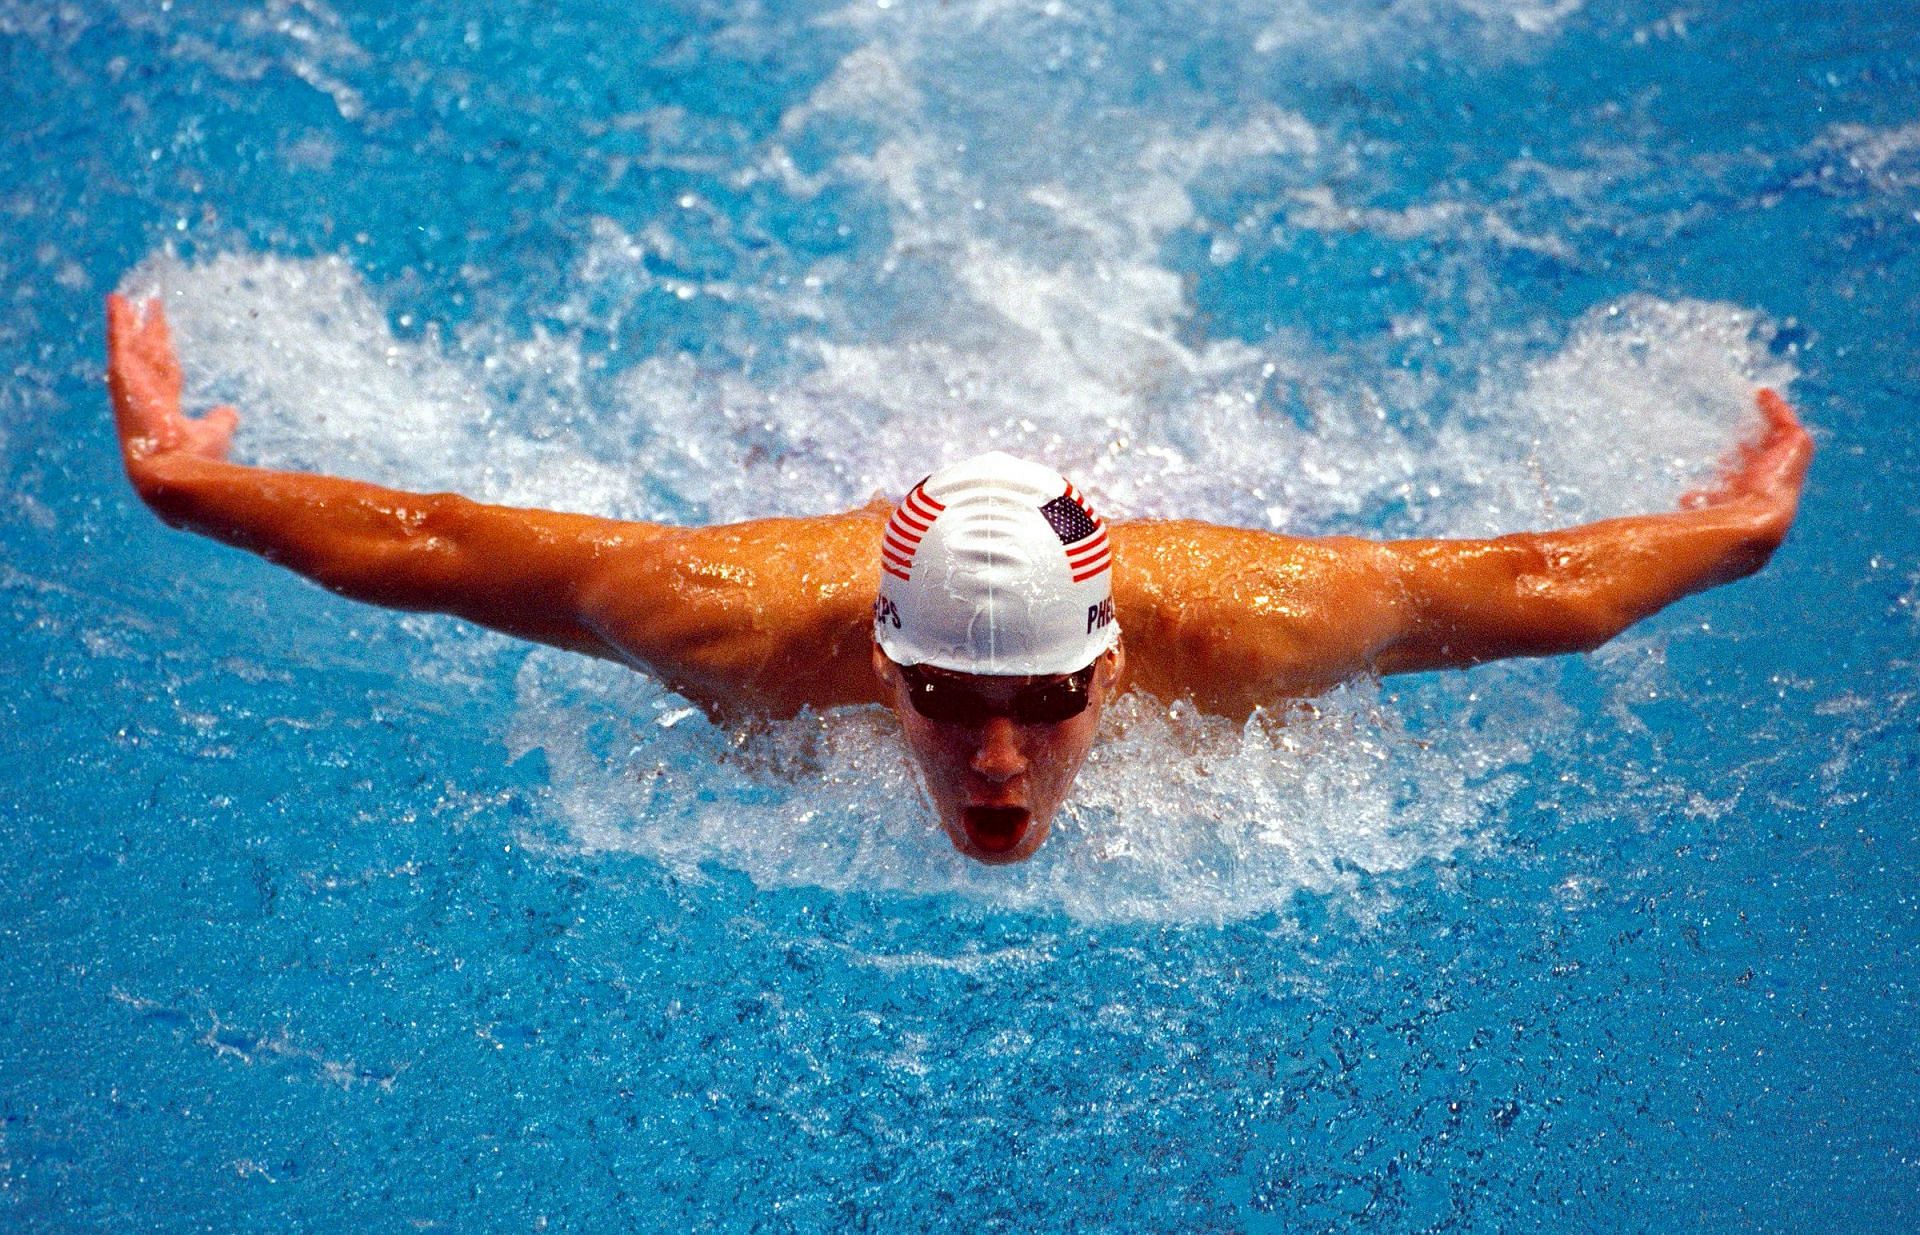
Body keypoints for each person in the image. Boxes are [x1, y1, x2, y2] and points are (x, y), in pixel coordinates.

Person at [106, 294, 1813, 863]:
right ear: (876, 651)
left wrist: (1731, 533)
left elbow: (1536, 584)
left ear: (1117, 661)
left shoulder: (1248, 623)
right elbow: (447, 545)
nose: (995, 765)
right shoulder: (743, 622)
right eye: (942, 703)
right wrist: (195, 489)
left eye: (1046, 705)